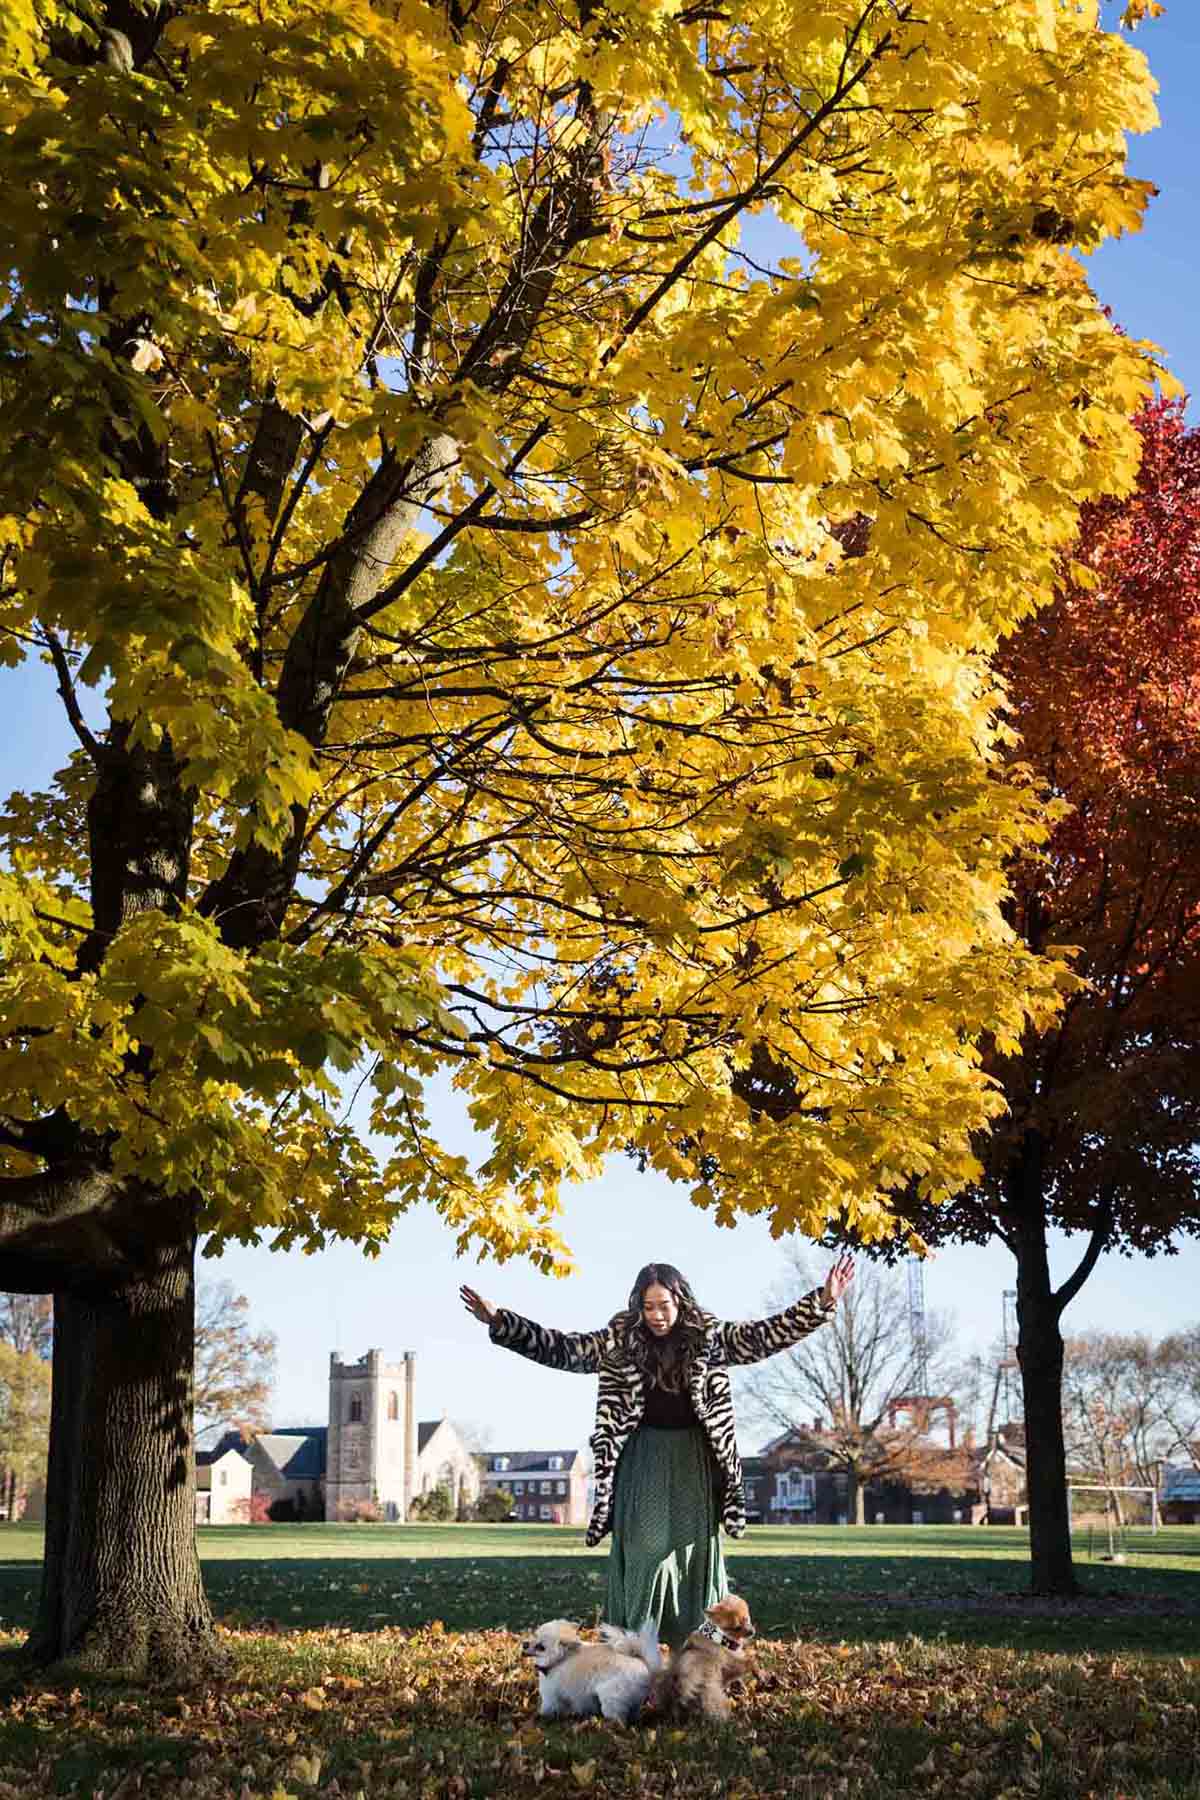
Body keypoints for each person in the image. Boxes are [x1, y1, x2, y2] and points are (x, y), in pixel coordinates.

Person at [460, 1252, 855, 1649]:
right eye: (648, 1307)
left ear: (680, 1301)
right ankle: (631, 1647)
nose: (657, 1315)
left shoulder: (709, 1336)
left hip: (693, 1457)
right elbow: (563, 1349)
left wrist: (820, 1301)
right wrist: (500, 1321)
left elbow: (763, 1336)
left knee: (694, 1550)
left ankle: (703, 1652)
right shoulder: (619, 1340)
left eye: (664, 1305)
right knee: (645, 1548)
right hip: (641, 1456)